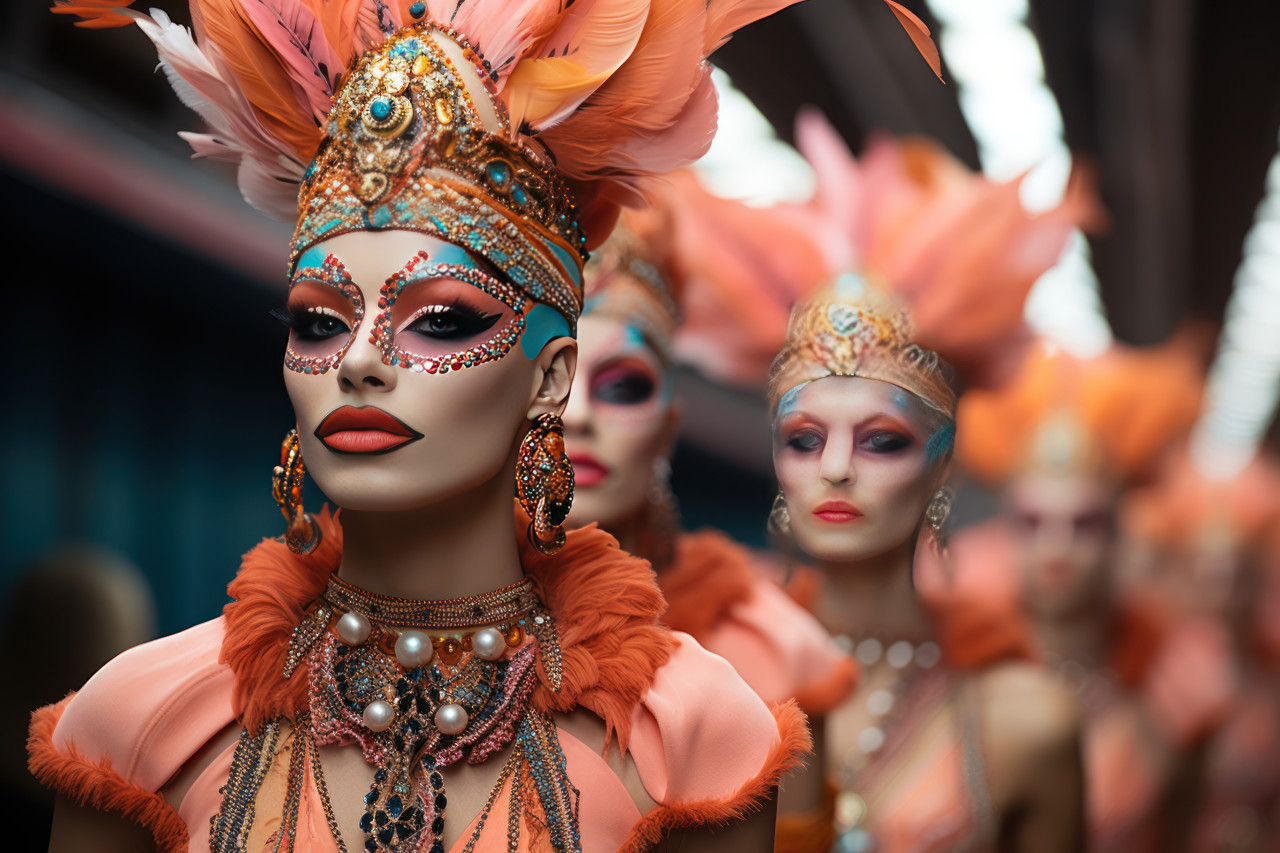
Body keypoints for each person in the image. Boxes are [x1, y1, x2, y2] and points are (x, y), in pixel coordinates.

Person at [28, 0, 946, 847]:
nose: (358, 361)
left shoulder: (692, 740)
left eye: (441, 320)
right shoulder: (144, 726)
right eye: (318, 320)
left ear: (550, 377)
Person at [762, 115, 1092, 852]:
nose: (837, 468)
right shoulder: (712, 672)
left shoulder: (1024, 722)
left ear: (943, 462)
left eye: (883, 441)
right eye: (804, 439)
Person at [560, 199, 857, 830]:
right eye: (554, 375)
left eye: (621, 385)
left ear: (668, 427)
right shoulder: (402, 623)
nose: (577, 414)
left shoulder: (770, 653)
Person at [954, 341, 1235, 852]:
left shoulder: (1174, 695)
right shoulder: (957, 677)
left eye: (1083, 524)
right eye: (1033, 522)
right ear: (1005, 531)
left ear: (1115, 536)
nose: (1056, 548)